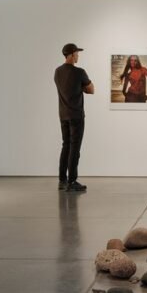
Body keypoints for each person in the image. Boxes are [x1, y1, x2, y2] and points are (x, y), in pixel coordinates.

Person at [55, 43, 94, 192]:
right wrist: (81, 87)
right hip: (76, 115)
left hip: (63, 115)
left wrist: (78, 87)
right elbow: (91, 89)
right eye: (77, 53)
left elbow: (64, 88)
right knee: (75, 148)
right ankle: (72, 181)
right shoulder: (79, 72)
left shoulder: (57, 72)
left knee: (66, 145)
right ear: (71, 55)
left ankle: (62, 180)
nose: (78, 56)